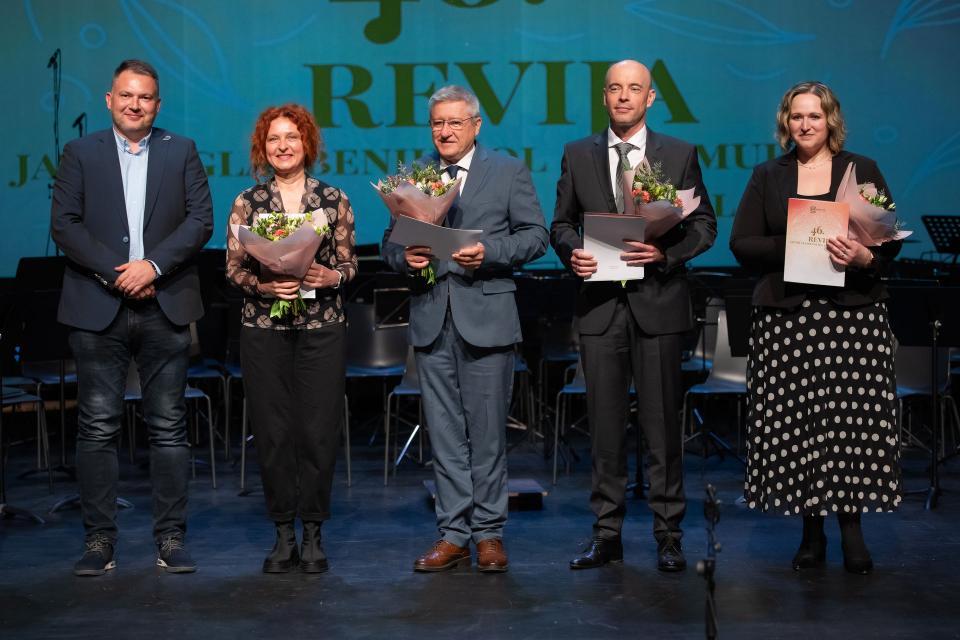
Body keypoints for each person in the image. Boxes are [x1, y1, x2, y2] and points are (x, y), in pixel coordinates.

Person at [551, 60, 716, 572]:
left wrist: (666, 255)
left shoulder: (679, 153)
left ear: (650, 98)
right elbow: (560, 224)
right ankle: (607, 534)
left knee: (662, 428)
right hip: (601, 308)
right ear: (604, 96)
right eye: (615, 88)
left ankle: (668, 535)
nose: (624, 96)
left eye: (634, 89)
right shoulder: (577, 153)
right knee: (604, 429)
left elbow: (704, 226)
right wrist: (572, 252)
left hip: (658, 305)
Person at [729, 81, 901, 574]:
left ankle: (852, 529)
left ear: (831, 121)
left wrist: (866, 257)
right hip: (789, 317)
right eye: (797, 116)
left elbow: (890, 239)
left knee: (852, 423)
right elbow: (742, 243)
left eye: (815, 116)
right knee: (799, 425)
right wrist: (800, 238)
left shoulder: (861, 169)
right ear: (786, 122)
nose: (805, 125)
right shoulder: (768, 174)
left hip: (853, 316)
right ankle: (810, 532)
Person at [51, 59, 213, 576]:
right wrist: (118, 273)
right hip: (98, 306)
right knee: (98, 427)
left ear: (157, 105)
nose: (135, 104)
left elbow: (200, 220)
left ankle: (171, 538)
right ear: (109, 100)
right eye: (126, 95)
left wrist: (153, 266)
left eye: (144, 97)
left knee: (168, 427)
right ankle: (99, 540)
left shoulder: (181, 150)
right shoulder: (80, 152)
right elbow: (65, 225)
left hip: (165, 303)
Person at [381, 85, 548, 573]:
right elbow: (390, 245)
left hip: (487, 318)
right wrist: (407, 259)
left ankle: (489, 533)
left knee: (488, 435)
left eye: (455, 122)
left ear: (476, 125)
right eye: (438, 123)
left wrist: (490, 253)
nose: (445, 131)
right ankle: (453, 533)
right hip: (433, 319)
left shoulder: (508, 170)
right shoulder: (415, 175)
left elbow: (536, 237)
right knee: (445, 434)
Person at [226, 103, 357, 574]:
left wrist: (330, 276)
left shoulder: (333, 199)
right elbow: (233, 269)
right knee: (274, 432)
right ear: (262, 148)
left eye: (292, 137)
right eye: (273, 139)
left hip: (322, 327)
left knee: (318, 431)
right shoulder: (247, 202)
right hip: (264, 330)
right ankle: (283, 532)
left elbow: (350, 265)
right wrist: (263, 287)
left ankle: (314, 532)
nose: (283, 146)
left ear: (307, 144)